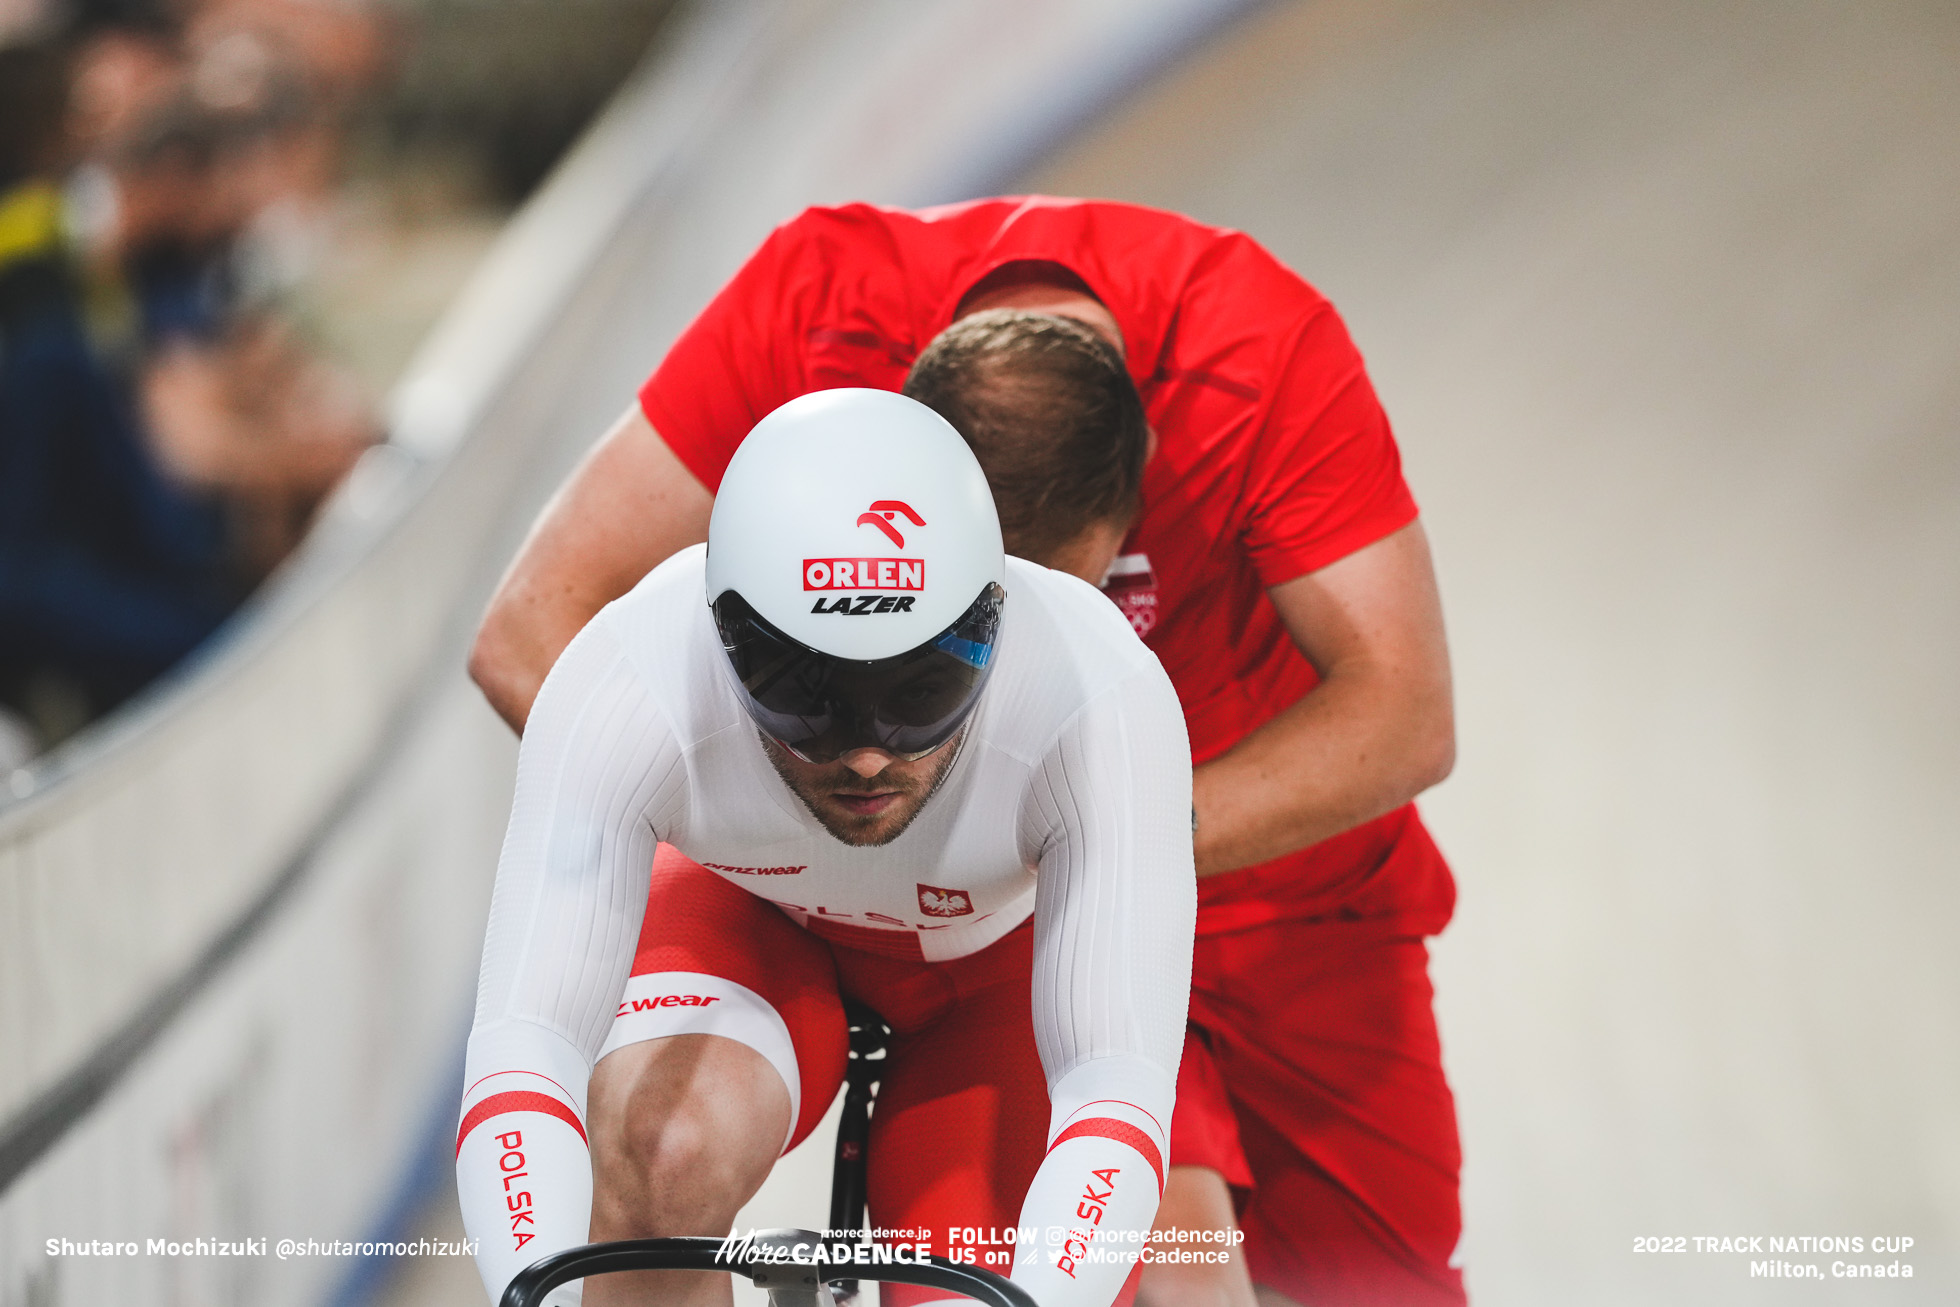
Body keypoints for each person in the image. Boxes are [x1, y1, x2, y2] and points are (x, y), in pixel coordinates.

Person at [469, 197, 1463, 1307]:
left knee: (1286, 1278)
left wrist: (1089, 846)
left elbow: (1404, 709)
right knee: (666, 1152)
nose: (977, 700)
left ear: (1136, 514)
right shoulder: (813, 307)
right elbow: (531, 631)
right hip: (814, 865)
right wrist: (811, 844)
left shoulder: (1253, 358)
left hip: (1156, 864)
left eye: (952, 671)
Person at [457, 388, 1197, 1307]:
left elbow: (1112, 1091)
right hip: (754, 917)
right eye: (805, 696)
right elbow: (527, 1047)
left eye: (922, 693)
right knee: (664, 1153)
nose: (866, 752)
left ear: (992, 625)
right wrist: (541, 1288)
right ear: (724, 640)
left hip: (993, 971)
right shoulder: (629, 676)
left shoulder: (1101, 701)